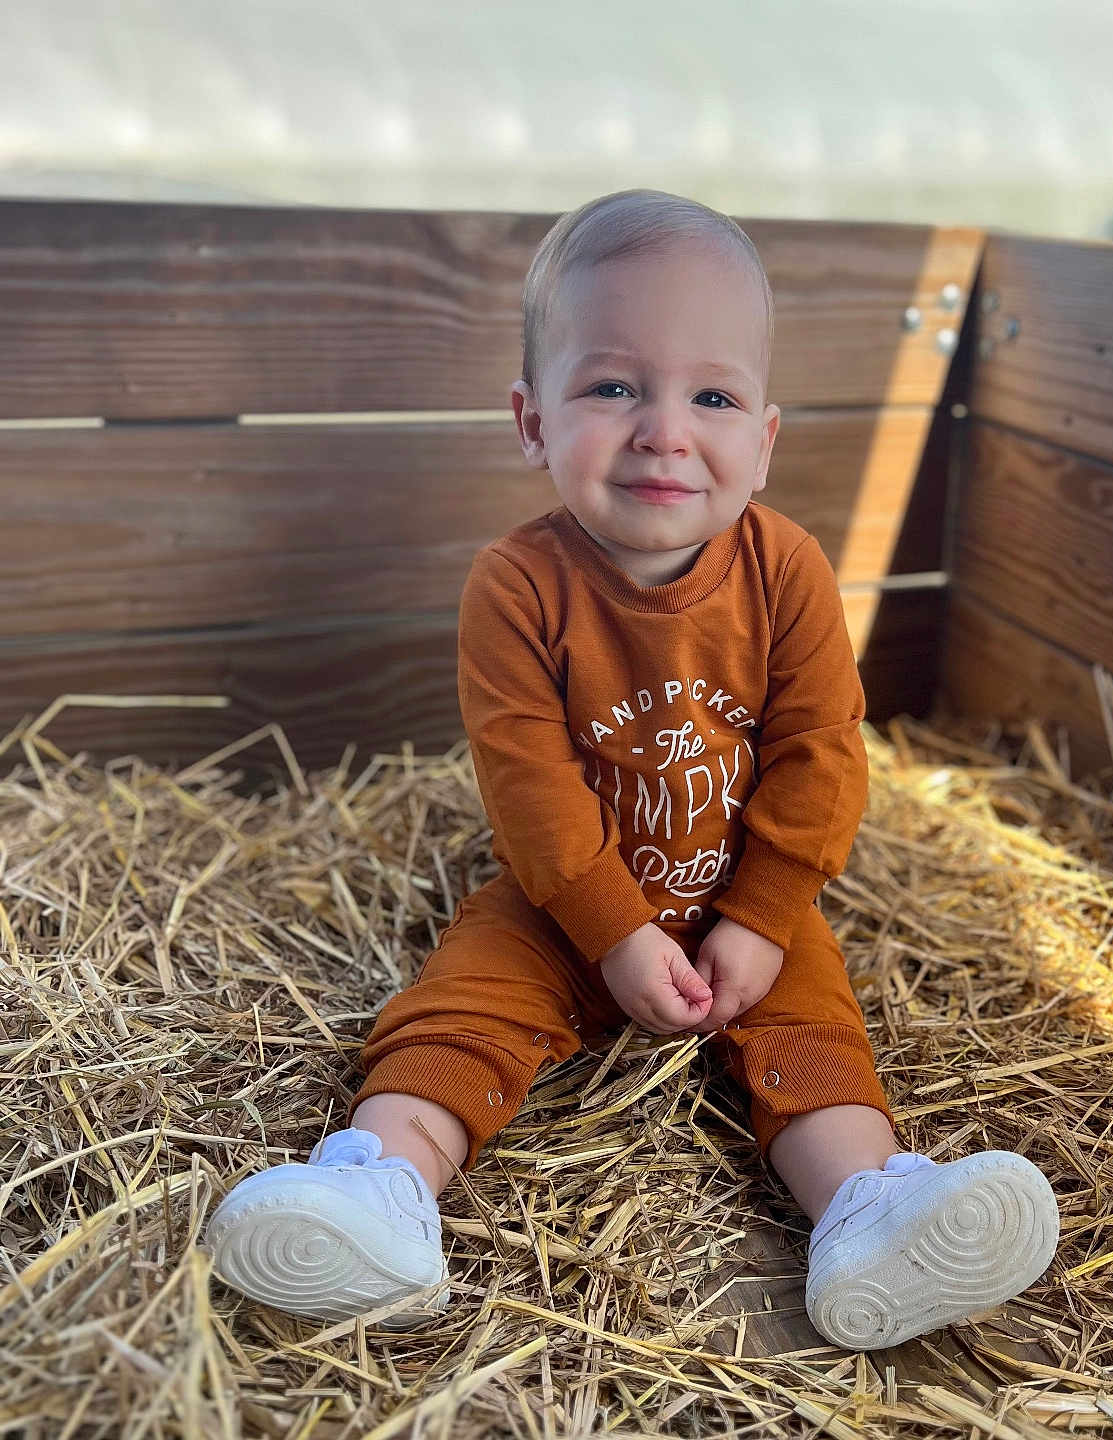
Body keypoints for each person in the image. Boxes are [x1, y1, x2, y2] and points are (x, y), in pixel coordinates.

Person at [203, 189, 1059, 1350]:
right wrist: (610, 929)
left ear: (761, 441)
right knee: (460, 1008)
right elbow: (530, 782)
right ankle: (379, 1193)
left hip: (741, 904)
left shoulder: (788, 571)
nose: (663, 428)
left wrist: (760, 918)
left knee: (812, 1036)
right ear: (532, 420)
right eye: (612, 387)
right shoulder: (517, 587)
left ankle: (869, 1210)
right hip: (563, 908)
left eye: (710, 395)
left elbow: (820, 754)